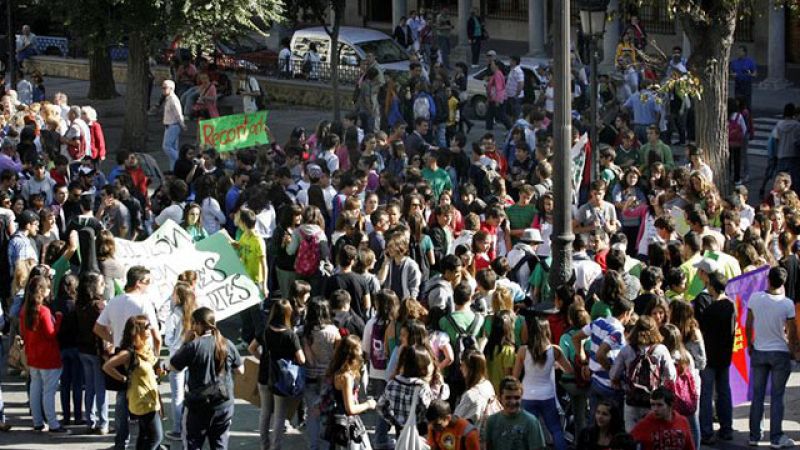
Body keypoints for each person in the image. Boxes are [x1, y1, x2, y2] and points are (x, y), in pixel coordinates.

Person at [93, 266, 162, 450]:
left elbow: (98, 328)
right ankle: (144, 437)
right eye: (148, 282)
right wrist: (155, 356)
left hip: (120, 351)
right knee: (143, 397)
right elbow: (156, 335)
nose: (149, 286)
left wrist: (115, 339)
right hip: (140, 353)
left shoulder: (114, 301)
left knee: (122, 398)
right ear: (139, 283)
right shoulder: (144, 302)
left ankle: (121, 441)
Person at [170, 307, 243, 450]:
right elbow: (240, 370)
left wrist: (185, 342)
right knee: (220, 444)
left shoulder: (193, 346)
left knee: (193, 444)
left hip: (199, 406)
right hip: (224, 403)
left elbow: (173, 366)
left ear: (197, 324)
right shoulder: (226, 343)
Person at [745, 266, 799, 449]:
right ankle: (776, 437)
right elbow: (792, 333)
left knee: (758, 395)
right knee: (777, 397)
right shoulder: (787, 304)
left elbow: (748, 324)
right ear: (783, 283)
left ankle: (754, 435)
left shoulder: (755, 298)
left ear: (768, 279)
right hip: (780, 353)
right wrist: (793, 352)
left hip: (759, 350)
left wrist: (749, 344)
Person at [251, 299, 305, 450]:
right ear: (288, 314)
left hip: (264, 374)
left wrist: (261, 359)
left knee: (265, 412)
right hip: (282, 378)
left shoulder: (265, 331)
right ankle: (276, 446)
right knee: (279, 415)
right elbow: (301, 359)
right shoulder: (290, 335)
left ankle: (264, 445)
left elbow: (252, 348)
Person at [102, 315, 163, 450]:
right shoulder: (129, 353)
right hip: (142, 401)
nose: (150, 329)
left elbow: (152, 363)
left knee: (144, 435)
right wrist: (122, 378)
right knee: (156, 437)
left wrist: (159, 371)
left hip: (150, 399)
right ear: (138, 331)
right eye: (147, 327)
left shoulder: (146, 347)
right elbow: (107, 366)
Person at [513, 317, 573, 450]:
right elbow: (569, 369)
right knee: (556, 429)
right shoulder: (555, 350)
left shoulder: (523, 351)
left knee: (528, 431)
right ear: (547, 331)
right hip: (548, 396)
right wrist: (555, 364)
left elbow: (515, 376)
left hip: (527, 396)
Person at [20, 274, 69, 433]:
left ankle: (37, 422)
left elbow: (23, 333)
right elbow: (51, 333)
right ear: (42, 290)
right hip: (48, 357)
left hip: (33, 355)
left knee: (35, 389)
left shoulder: (24, 310)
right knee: (48, 392)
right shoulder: (44, 311)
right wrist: (59, 319)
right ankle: (53, 423)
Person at [609, 316, 676, 430]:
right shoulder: (661, 349)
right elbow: (671, 375)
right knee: (652, 435)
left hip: (632, 400)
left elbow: (613, 374)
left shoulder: (627, 350)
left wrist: (619, 383)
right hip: (654, 401)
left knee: (632, 435)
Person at [694, 270, 735, 444]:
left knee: (707, 394)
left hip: (709, 357)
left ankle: (706, 432)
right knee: (724, 392)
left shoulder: (710, 310)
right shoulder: (731, 306)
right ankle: (727, 428)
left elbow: (702, 330)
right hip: (725, 356)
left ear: (712, 287)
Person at [327, 335, 378, 450]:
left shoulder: (341, 371)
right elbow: (350, 409)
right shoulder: (346, 377)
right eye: (359, 348)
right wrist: (368, 404)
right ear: (352, 352)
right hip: (347, 425)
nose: (361, 352)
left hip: (343, 422)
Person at [75, 271, 109, 435]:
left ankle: (90, 420)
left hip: (83, 349)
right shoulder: (99, 305)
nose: (105, 286)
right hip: (97, 351)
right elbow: (104, 328)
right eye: (102, 283)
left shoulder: (80, 303)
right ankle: (103, 422)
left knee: (89, 387)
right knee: (100, 387)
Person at [163, 281, 197, 441]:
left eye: (174, 293)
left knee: (177, 394)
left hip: (177, 357)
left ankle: (178, 429)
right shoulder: (195, 312)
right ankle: (192, 425)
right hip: (194, 356)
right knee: (192, 391)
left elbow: (168, 338)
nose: (172, 295)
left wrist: (174, 345)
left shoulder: (175, 314)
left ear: (179, 296)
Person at [484, 376, 547, 450]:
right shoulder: (492, 421)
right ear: (500, 398)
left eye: (516, 398)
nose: (513, 402)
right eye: (508, 398)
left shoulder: (531, 422)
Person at [630, 387, 695, 450]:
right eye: (653, 405)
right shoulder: (646, 423)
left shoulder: (682, 421)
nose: (655, 409)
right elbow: (627, 441)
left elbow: (689, 447)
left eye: (659, 405)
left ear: (670, 405)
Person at [161, 80, 186, 168]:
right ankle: (174, 169)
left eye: (165, 88)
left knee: (166, 146)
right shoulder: (168, 99)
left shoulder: (173, 99)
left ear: (171, 89)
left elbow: (178, 113)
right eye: (162, 88)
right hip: (170, 125)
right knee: (173, 148)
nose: (163, 90)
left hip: (173, 126)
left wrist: (182, 124)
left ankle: (181, 161)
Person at [730, 45, 757, 110]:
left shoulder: (750, 62)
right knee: (737, 101)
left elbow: (755, 74)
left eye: (740, 51)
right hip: (738, 83)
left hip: (746, 84)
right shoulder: (734, 62)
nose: (738, 53)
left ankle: (747, 115)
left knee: (747, 102)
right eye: (738, 51)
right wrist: (733, 75)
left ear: (744, 52)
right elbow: (731, 72)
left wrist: (749, 74)